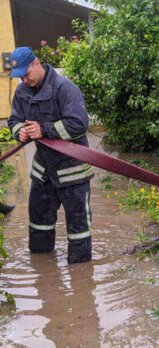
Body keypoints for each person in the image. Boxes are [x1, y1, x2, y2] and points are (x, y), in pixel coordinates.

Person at [7, 47, 94, 263]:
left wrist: (44, 129)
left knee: (78, 228)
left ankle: (81, 278)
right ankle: (43, 272)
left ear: (36, 63)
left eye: (26, 74)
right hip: (43, 173)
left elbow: (78, 124)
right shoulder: (22, 91)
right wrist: (21, 132)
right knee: (38, 225)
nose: (24, 80)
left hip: (72, 172)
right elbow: (14, 119)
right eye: (20, 78)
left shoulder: (65, 89)